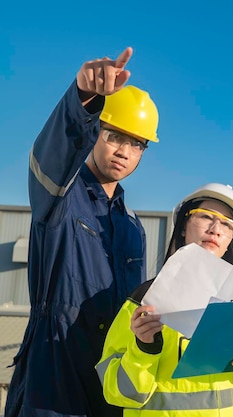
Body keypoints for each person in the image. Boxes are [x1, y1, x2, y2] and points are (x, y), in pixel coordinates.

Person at [5, 47, 160, 417]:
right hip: (54, 377)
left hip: (109, 382)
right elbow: (52, 157)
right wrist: (82, 101)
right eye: (114, 136)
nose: (124, 151)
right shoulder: (60, 196)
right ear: (95, 133)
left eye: (136, 143)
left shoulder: (133, 226)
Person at [96, 183, 233, 416]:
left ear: (230, 241)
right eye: (206, 217)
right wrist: (143, 348)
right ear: (183, 226)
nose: (216, 229)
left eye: (227, 224)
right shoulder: (143, 300)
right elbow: (117, 392)